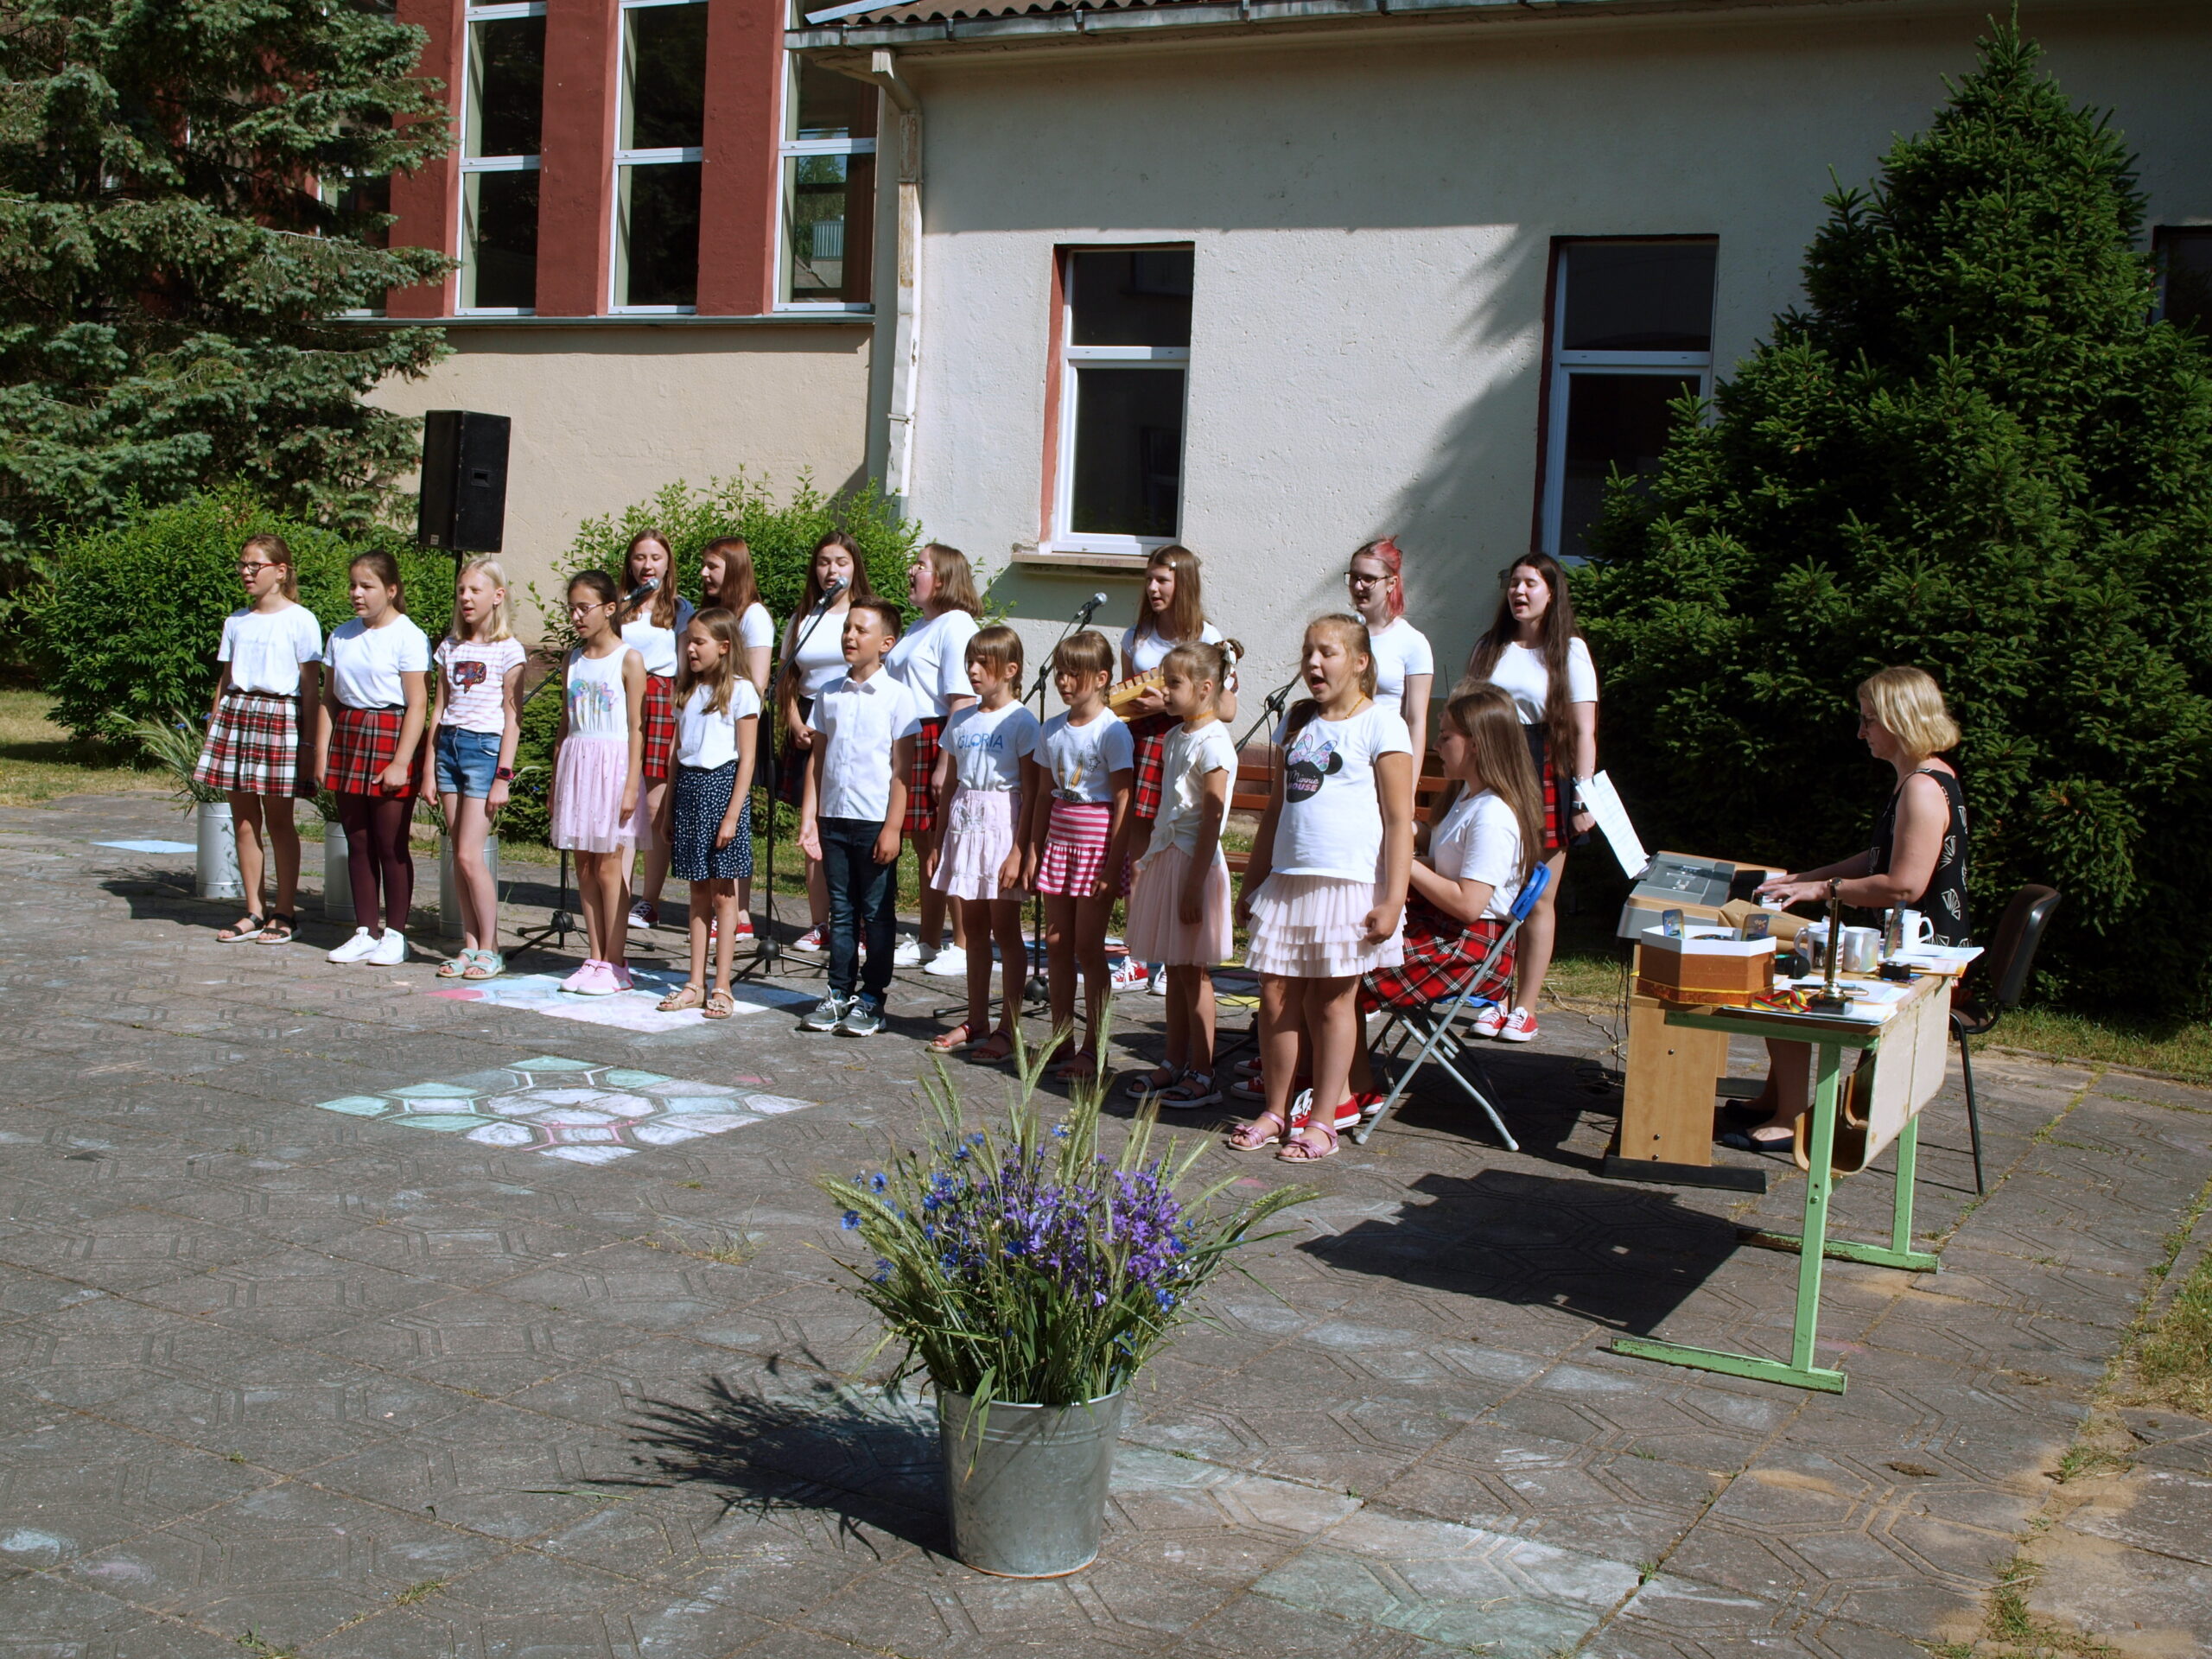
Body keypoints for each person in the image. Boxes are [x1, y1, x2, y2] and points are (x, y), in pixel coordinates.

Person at [1733, 667, 1971, 1149]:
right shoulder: (1923, 776)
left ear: (1901, 720)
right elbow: (1881, 857)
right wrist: (1805, 878)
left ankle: (1791, 1119)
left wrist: (1823, 891)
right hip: (1913, 947)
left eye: (1869, 720)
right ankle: (1775, 1098)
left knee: (1786, 983)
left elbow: (1903, 885)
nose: (1861, 732)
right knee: (1787, 964)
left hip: (1921, 961)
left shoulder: (1922, 787)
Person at [1228, 615, 1414, 1162]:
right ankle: (1275, 1110)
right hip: (1289, 883)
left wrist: (1393, 898)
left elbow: (1399, 820)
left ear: (1359, 662)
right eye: (1308, 651)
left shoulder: (1382, 724)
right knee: (1274, 996)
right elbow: (1276, 812)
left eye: (1327, 652)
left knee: (1333, 1002)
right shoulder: (1298, 721)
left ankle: (1324, 1119)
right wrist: (1253, 882)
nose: (1313, 662)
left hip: (1348, 884)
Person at [1344, 684, 1544, 1100]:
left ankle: (1349, 1090)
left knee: (1340, 974)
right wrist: (1390, 823)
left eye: (1446, 735)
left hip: (1468, 949)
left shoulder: (1492, 815)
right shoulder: (1469, 797)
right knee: (1334, 954)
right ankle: (1330, 1079)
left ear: (1477, 744)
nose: (1437, 745)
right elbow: (1444, 852)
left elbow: (1469, 904)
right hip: (1448, 932)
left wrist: (1406, 862)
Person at [1464, 551, 1598, 1045]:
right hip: (1493, 768)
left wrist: (1583, 798)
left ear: (1551, 592)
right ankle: (1493, 999)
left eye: (1530, 584)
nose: (1519, 592)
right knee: (1492, 890)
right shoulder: (1489, 647)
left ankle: (1525, 1007)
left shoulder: (1570, 652)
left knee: (1536, 896)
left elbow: (1584, 732)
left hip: (1545, 770)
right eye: (1514, 582)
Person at [1118, 640, 1238, 1107]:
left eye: (1172, 683)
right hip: (1169, 860)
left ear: (1205, 688)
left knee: (1194, 973)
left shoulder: (1214, 744)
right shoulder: (1175, 737)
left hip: (1195, 865)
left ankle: (1203, 1072)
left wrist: (1193, 884)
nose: (1163, 691)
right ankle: (1173, 1061)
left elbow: (1211, 821)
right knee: (1173, 965)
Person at [798, 596, 922, 1038]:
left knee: (877, 913)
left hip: (873, 822)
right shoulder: (829, 693)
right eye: (847, 628)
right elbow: (818, 759)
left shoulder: (898, 697)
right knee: (842, 910)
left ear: (886, 643)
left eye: (861, 630)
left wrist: (893, 828)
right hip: (834, 818)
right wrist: (810, 816)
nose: (850, 636)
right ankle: (838, 992)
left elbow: (903, 771)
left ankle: (872, 998)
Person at [191, 534, 323, 945]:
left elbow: (311, 687)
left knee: (280, 821)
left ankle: (285, 912)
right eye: (242, 565)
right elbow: (226, 679)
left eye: (255, 566)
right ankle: (253, 909)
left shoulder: (301, 619)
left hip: (280, 718)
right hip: (237, 717)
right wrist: (214, 725)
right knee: (244, 821)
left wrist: (309, 744)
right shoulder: (236, 621)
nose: (246, 573)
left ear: (280, 572)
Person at [1120, 544, 1237, 991]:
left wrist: (1166, 705)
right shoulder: (1137, 636)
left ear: (1183, 583)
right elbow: (1125, 697)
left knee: (1177, 839)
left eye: (1162, 580)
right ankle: (1140, 952)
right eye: (1149, 579)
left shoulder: (1209, 637)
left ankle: (1175, 953)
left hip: (1186, 739)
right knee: (1140, 852)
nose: (1152, 588)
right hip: (1144, 742)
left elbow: (1227, 708)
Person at [925, 626, 1041, 1064]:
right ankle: (977, 1020)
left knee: (1005, 930)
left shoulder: (1021, 722)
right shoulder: (961, 719)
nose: (972, 671)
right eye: (969, 662)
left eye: (982, 663)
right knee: (972, 928)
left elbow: (1031, 791)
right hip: (964, 828)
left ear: (1010, 670)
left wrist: (1019, 851)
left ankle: (1009, 1027)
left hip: (1001, 829)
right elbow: (950, 786)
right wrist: (939, 842)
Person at [1026, 630, 1135, 1083]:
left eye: (1075, 674)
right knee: (1056, 944)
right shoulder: (1051, 729)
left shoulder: (1112, 731)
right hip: (1060, 844)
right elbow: (1042, 795)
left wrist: (1113, 864)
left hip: (1095, 848)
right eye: (1060, 673)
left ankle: (1094, 1047)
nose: (1064, 682)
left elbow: (1123, 798)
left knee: (1088, 948)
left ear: (1102, 678)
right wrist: (1032, 850)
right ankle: (1061, 1039)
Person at [316, 550, 430, 966]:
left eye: (367, 586)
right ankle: (365, 930)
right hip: (349, 736)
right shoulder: (341, 636)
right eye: (353, 585)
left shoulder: (408, 636)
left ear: (391, 590)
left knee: (390, 843)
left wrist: (401, 762)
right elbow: (329, 699)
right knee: (358, 840)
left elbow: (418, 704)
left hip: (390, 734)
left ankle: (396, 934)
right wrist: (321, 753)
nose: (357, 593)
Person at [654, 607, 760, 1020]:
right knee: (697, 890)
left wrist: (732, 815)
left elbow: (747, 759)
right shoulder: (686, 691)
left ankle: (722, 984)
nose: (691, 649)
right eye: (689, 641)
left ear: (724, 646)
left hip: (722, 789)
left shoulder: (741, 692)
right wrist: (668, 809)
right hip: (689, 791)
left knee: (722, 893)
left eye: (700, 641)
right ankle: (694, 982)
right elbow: (676, 755)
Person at [886, 543, 982, 978]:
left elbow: (962, 700)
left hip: (937, 735)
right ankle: (929, 939)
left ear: (942, 579)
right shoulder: (917, 627)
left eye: (920, 565)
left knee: (947, 843)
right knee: (925, 845)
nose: (911, 571)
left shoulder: (955, 624)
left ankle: (963, 942)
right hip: (910, 736)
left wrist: (947, 762)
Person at [549, 570, 646, 995]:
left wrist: (631, 785)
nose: (576, 616)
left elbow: (636, 727)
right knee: (584, 863)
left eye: (584, 608)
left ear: (609, 608)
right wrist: (556, 781)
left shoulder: (628, 659)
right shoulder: (572, 659)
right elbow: (565, 724)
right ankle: (594, 957)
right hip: (578, 764)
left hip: (612, 766)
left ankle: (616, 961)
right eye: (571, 608)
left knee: (609, 864)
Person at [429, 556, 526, 981]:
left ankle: (491, 947)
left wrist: (504, 776)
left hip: (484, 751)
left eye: (475, 590)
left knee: (471, 854)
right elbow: (438, 710)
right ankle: (470, 946)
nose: (466, 598)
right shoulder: (450, 647)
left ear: (497, 596)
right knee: (458, 854)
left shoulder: (509, 650)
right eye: (462, 591)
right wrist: (428, 767)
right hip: (449, 748)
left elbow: (513, 718)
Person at [778, 533, 871, 953]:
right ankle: (821, 923)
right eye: (823, 562)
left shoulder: (864, 614)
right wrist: (795, 721)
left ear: (854, 567)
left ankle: (858, 923)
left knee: (853, 824)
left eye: (840, 562)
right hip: (809, 719)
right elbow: (786, 677)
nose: (831, 570)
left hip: (852, 717)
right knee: (813, 824)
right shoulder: (804, 617)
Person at [697, 537, 775, 942]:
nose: (704, 573)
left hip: (737, 729)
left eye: (713, 566)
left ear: (735, 568)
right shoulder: (715, 614)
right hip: (710, 727)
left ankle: (739, 911)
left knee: (733, 817)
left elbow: (757, 683)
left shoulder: (754, 616)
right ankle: (722, 907)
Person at [618, 531, 695, 934]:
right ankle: (618, 894)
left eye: (655, 557)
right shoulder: (618, 605)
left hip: (662, 697)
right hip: (621, 697)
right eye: (639, 557)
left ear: (668, 563)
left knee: (653, 806)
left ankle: (650, 900)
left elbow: (686, 666)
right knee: (621, 800)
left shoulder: (680, 609)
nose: (647, 565)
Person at [1347, 537, 1435, 761]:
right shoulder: (1343, 634)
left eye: (1369, 579)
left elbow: (1416, 722)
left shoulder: (1412, 642)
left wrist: (1411, 780)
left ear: (1391, 583)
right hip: (1344, 753)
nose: (1358, 586)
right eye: (1354, 577)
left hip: (1386, 756)